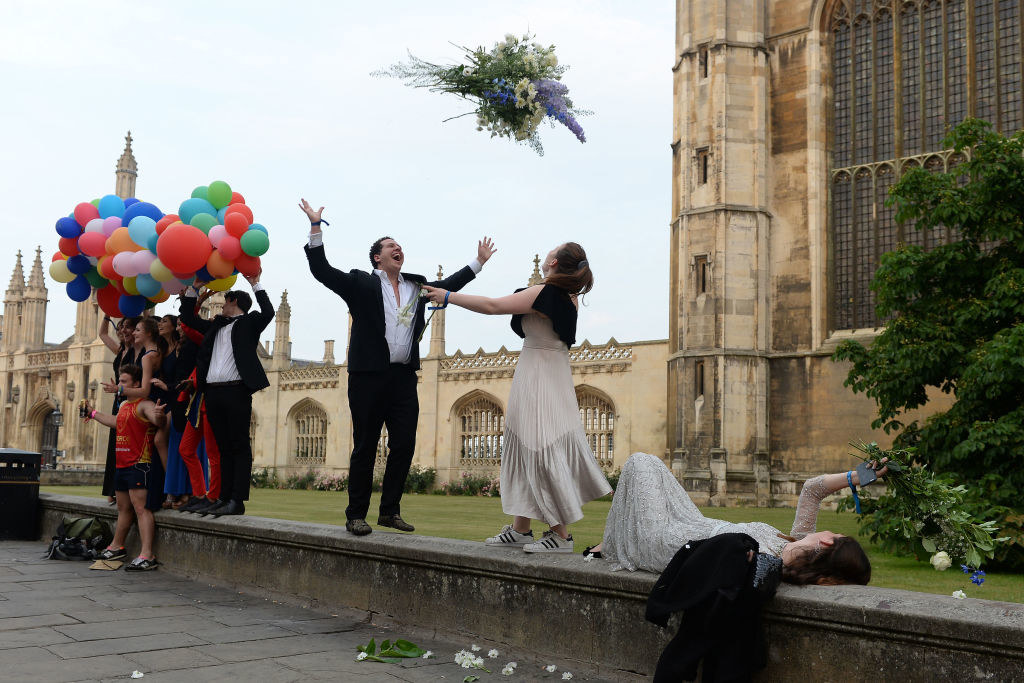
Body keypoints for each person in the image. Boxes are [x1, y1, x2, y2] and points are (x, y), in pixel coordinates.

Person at [299, 198, 496, 536]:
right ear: (378, 257)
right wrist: (316, 227)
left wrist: (478, 262)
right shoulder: (360, 283)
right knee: (365, 445)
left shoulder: (415, 287)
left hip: (403, 376)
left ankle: (389, 511)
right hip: (367, 376)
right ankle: (356, 514)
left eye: (399, 246)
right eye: (391, 246)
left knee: (404, 444)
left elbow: (448, 286)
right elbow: (322, 271)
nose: (397, 249)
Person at [421, 242, 611, 553]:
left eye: (553, 249)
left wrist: (449, 297)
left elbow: (494, 305)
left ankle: (561, 535)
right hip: (548, 369)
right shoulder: (568, 297)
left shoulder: (544, 293)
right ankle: (521, 529)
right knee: (526, 445)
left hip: (538, 372)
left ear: (552, 261)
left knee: (537, 448)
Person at [590, 452, 888, 585]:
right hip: (692, 524)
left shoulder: (768, 564)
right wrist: (862, 475)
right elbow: (812, 490)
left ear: (827, 541)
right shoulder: (791, 548)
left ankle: (613, 544)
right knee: (650, 469)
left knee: (642, 462)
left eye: (834, 531)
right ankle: (612, 542)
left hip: (668, 542)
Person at [179, 269, 274, 517]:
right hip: (213, 393)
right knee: (222, 448)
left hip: (237, 391)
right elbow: (187, 318)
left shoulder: (249, 323)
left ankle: (237, 500)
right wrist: (194, 288)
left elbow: (269, 313)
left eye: (225, 301)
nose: (221, 306)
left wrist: (256, 285)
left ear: (233, 301)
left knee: (239, 446)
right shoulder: (215, 326)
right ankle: (222, 497)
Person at [85, 364, 166, 571]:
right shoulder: (124, 407)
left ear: (136, 384)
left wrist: (159, 415)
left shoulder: (144, 404)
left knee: (141, 508)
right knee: (123, 509)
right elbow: (115, 422)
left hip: (139, 464)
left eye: (124, 382)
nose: (119, 385)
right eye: (119, 381)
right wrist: (92, 413)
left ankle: (147, 554)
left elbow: (156, 419)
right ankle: (116, 546)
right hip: (122, 463)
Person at [98, 315, 141, 503]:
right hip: (118, 399)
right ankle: (112, 489)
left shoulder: (137, 351)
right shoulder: (120, 350)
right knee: (115, 443)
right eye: (121, 327)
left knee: (126, 444)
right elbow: (102, 334)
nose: (122, 330)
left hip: (130, 399)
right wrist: (107, 314)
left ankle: (125, 489)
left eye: (127, 327)